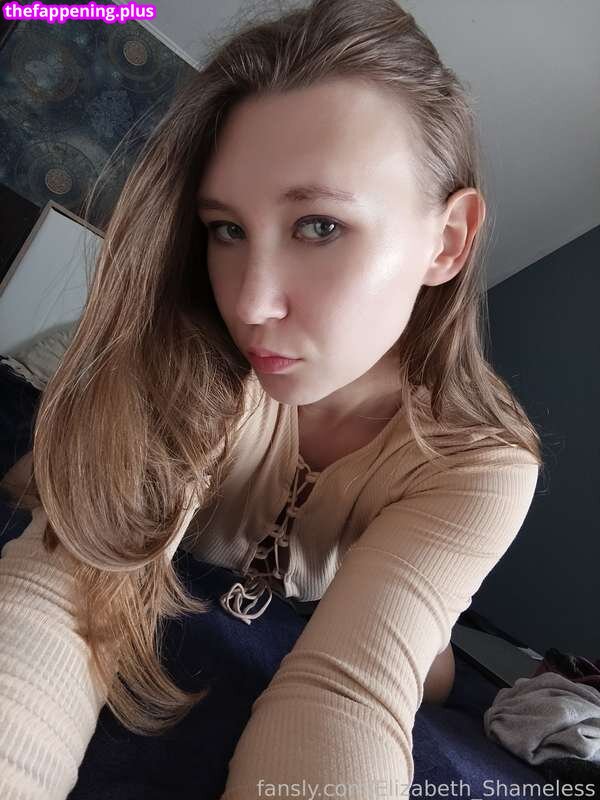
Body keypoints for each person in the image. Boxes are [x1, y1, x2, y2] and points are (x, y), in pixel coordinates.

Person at [0, 0, 543, 798]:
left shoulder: (482, 460)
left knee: (426, 672)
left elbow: (351, 694)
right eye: (226, 229)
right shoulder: (180, 349)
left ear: (447, 240)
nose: (251, 303)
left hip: (354, 582)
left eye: (319, 226)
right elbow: (66, 586)